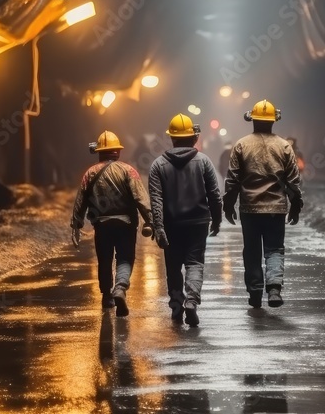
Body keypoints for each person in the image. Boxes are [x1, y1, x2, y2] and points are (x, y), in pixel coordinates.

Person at [224, 99, 303, 308]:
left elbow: (232, 179)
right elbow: (294, 181)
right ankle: (274, 288)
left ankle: (256, 292)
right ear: (273, 121)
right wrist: (296, 205)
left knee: (251, 251)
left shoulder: (241, 145)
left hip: (249, 209)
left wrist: (228, 204)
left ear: (252, 119)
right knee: (275, 249)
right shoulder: (284, 146)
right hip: (276, 209)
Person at [148, 113, 223, 325]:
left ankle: (176, 306)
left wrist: (159, 228)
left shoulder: (157, 165)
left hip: (172, 225)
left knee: (173, 267)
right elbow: (214, 195)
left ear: (171, 138)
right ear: (193, 138)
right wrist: (216, 220)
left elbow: (156, 200)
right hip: (198, 224)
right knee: (195, 263)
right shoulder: (204, 162)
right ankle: (192, 301)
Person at [70, 130, 153, 317]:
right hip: (126, 224)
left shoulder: (90, 173)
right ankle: (120, 288)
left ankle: (107, 296)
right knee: (125, 258)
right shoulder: (129, 170)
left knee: (105, 260)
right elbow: (141, 199)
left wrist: (76, 225)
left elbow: (80, 200)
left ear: (99, 151)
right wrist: (151, 221)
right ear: (118, 151)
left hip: (102, 225)